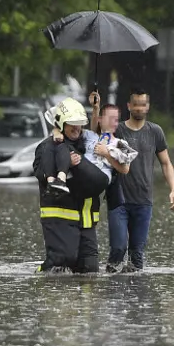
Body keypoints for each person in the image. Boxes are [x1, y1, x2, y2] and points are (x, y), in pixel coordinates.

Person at [105, 88, 174, 272]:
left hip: (143, 200)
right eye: (135, 104)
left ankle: (136, 296)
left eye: (143, 104)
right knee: (118, 249)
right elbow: (95, 133)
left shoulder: (155, 132)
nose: (139, 108)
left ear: (148, 107)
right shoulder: (118, 129)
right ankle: (110, 290)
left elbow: (166, 163)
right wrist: (97, 107)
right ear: (129, 106)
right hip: (118, 200)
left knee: (137, 255)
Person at [33, 98, 110, 273]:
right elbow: (40, 174)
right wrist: (67, 166)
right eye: (72, 124)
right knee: (61, 263)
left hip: (87, 221)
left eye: (80, 124)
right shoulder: (47, 147)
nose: (77, 129)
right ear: (61, 123)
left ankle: (85, 302)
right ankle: (41, 275)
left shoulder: (87, 145)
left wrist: (79, 165)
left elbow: (97, 178)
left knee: (90, 270)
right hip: (60, 220)